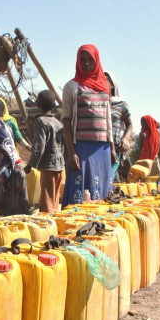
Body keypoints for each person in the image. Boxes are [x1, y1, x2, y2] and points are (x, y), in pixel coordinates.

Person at [60, 44, 115, 206]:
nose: (86, 63)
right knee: (79, 193)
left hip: (102, 149)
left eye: (90, 59)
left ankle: (101, 228)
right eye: (82, 60)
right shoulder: (71, 86)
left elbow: (108, 119)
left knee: (102, 191)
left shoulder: (105, 87)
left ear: (96, 60)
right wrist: (71, 152)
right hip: (81, 148)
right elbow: (66, 119)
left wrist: (111, 147)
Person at [0, 98, 28, 215]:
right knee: (20, 203)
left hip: (12, 168)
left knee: (6, 205)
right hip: (19, 165)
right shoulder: (5, 124)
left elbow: (6, 148)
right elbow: (9, 145)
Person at [25, 90, 64, 212]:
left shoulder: (41, 122)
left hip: (48, 166)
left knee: (46, 199)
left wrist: (30, 165)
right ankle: (55, 223)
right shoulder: (59, 124)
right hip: (60, 166)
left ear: (38, 105)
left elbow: (39, 147)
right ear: (54, 106)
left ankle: (47, 227)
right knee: (55, 198)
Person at [104, 72, 133, 183]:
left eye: (105, 80)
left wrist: (125, 139)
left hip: (115, 147)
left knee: (108, 179)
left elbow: (129, 124)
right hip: (98, 145)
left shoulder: (120, 103)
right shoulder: (96, 101)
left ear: (112, 85)